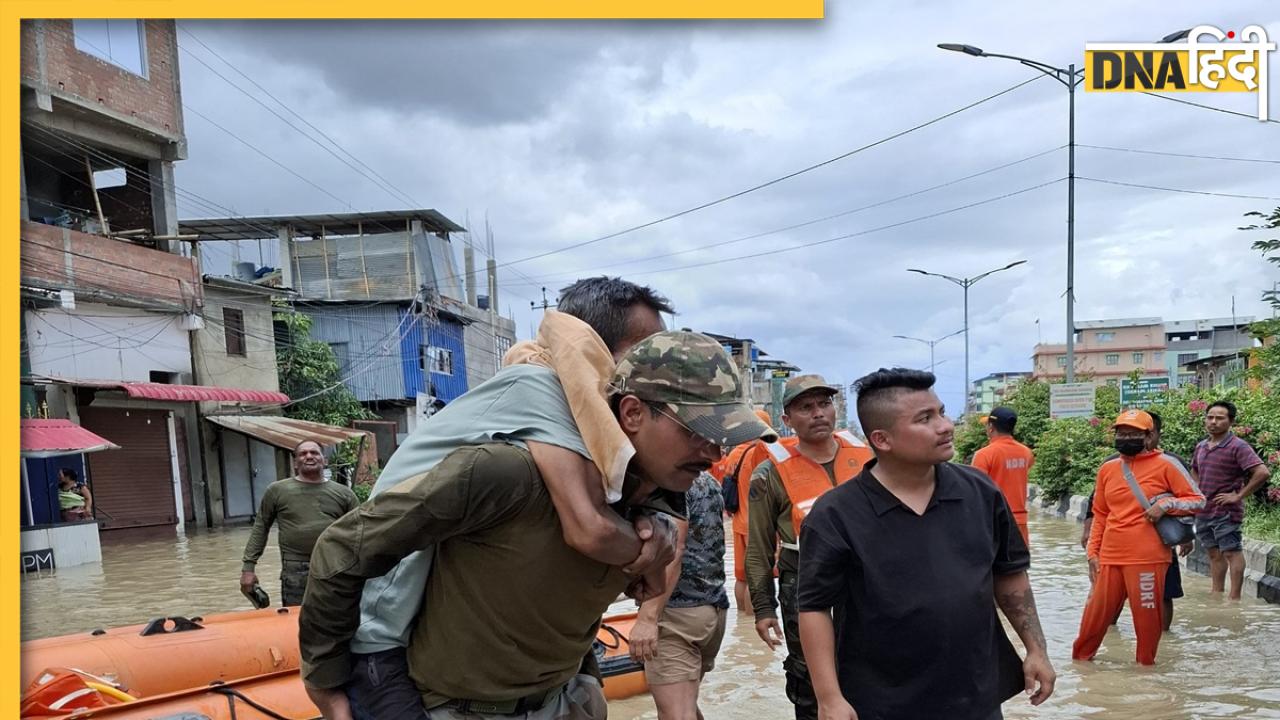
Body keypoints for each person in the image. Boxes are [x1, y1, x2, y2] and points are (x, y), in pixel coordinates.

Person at [299, 331, 775, 720]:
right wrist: (324, 679)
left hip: (562, 700)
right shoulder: (504, 474)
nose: (715, 453)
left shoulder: (659, 501)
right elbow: (342, 549)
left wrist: (586, 683)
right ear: (631, 413)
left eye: (723, 438)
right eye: (699, 431)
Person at [332, 278, 682, 719]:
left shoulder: (577, 409)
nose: (664, 371)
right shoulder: (541, 389)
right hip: (382, 635)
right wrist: (648, 555)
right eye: (647, 353)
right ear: (593, 348)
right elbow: (587, 526)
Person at [798, 368, 1054, 720]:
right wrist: (828, 698)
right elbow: (814, 608)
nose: (945, 425)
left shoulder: (980, 492)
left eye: (942, 412)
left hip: (974, 695)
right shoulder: (835, 515)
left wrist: (1036, 650)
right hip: (879, 701)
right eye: (925, 418)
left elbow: (1009, 576)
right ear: (882, 439)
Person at [745, 374, 873, 720]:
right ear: (787, 421)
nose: (818, 413)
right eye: (805, 407)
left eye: (824, 404)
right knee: (807, 673)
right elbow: (757, 547)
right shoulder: (767, 474)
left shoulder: (869, 460)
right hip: (801, 583)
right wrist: (763, 608)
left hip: (866, 582)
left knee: (874, 663)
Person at [1073, 410, 1205, 666]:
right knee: (1093, 621)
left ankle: (1146, 674)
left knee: (1146, 623)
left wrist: (1166, 504)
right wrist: (1092, 553)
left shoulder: (1168, 464)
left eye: (1133, 433)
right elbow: (1100, 513)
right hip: (1110, 556)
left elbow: (1198, 501)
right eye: (1122, 433)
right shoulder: (1108, 469)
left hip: (1148, 557)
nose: (1126, 438)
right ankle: (1080, 667)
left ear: (1148, 435)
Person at [629, 469, 729, 720]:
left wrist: (647, 617)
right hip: (711, 611)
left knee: (677, 713)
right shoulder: (708, 481)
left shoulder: (671, 483)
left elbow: (675, 548)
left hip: (675, 613)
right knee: (685, 706)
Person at [239, 440, 359, 607]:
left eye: (314, 453)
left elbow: (359, 533)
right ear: (295, 463)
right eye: (303, 454)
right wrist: (248, 569)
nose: (309, 456)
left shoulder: (344, 494)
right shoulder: (277, 491)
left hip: (335, 567)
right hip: (295, 569)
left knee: (337, 620)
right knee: (295, 621)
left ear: (324, 460)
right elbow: (260, 528)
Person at [1191, 400, 1271, 600]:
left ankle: (1234, 598)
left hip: (1227, 511)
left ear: (1231, 421)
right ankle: (1216, 593)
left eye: (1220, 418)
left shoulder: (1238, 446)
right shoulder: (1201, 446)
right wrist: (1196, 492)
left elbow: (1262, 472)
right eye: (1210, 417)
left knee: (1231, 552)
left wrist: (1238, 495)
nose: (1213, 422)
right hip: (1204, 510)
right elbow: (1195, 469)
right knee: (1214, 554)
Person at [720, 407, 780, 615]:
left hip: (737, 523)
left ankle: (742, 618)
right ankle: (754, 622)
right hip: (757, 524)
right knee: (758, 577)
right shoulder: (759, 451)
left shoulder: (734, 453)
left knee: (741, 577)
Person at [971, 406, 1035, 547]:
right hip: (1020, 521)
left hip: (994, 521)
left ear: (991, 427)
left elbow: (976, 491)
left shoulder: (984, 455)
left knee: (995, 567)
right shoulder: (1026, 453)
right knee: (1019, 566)